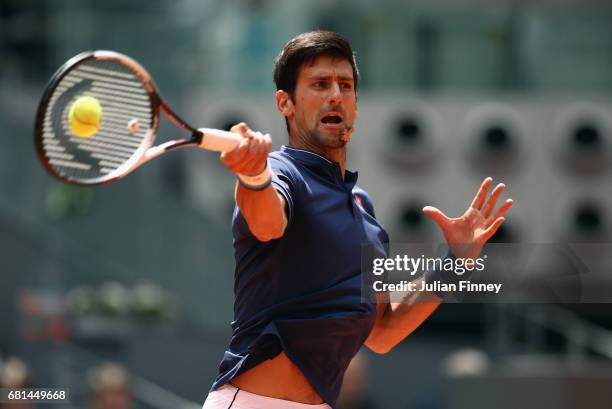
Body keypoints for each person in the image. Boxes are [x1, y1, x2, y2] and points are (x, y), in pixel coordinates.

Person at [202, 30, 512, 409]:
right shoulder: (280, 174)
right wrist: (252, 176)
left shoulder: (363, 209)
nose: (336, 94)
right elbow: (267, 223)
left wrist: (454, 262)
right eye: (319, 84)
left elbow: (382, 331)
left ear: (355, 105)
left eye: (345, 85)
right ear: (285, 102)